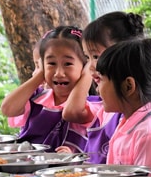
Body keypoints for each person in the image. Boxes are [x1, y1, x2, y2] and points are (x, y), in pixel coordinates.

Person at [57, 11, 145, 163]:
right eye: (87, 57)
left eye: (96, 56)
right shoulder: (107, 108)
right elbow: (71, 112)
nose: (90, 66)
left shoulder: (139, 120)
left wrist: (89, 71)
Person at [96, 38, 151, 172]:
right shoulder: (127, 124)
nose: (97, 89)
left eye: (100, 80)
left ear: (128, 86)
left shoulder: (148, 135)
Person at [1, 26, 91, 151]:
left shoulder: (92, 105)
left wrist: (88, 74)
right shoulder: (36, 98)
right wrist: (40, 75)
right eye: (51, 63)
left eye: (68, 64)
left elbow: (72, 112)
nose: (59, 73)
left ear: (85, 65)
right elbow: (8, 109)